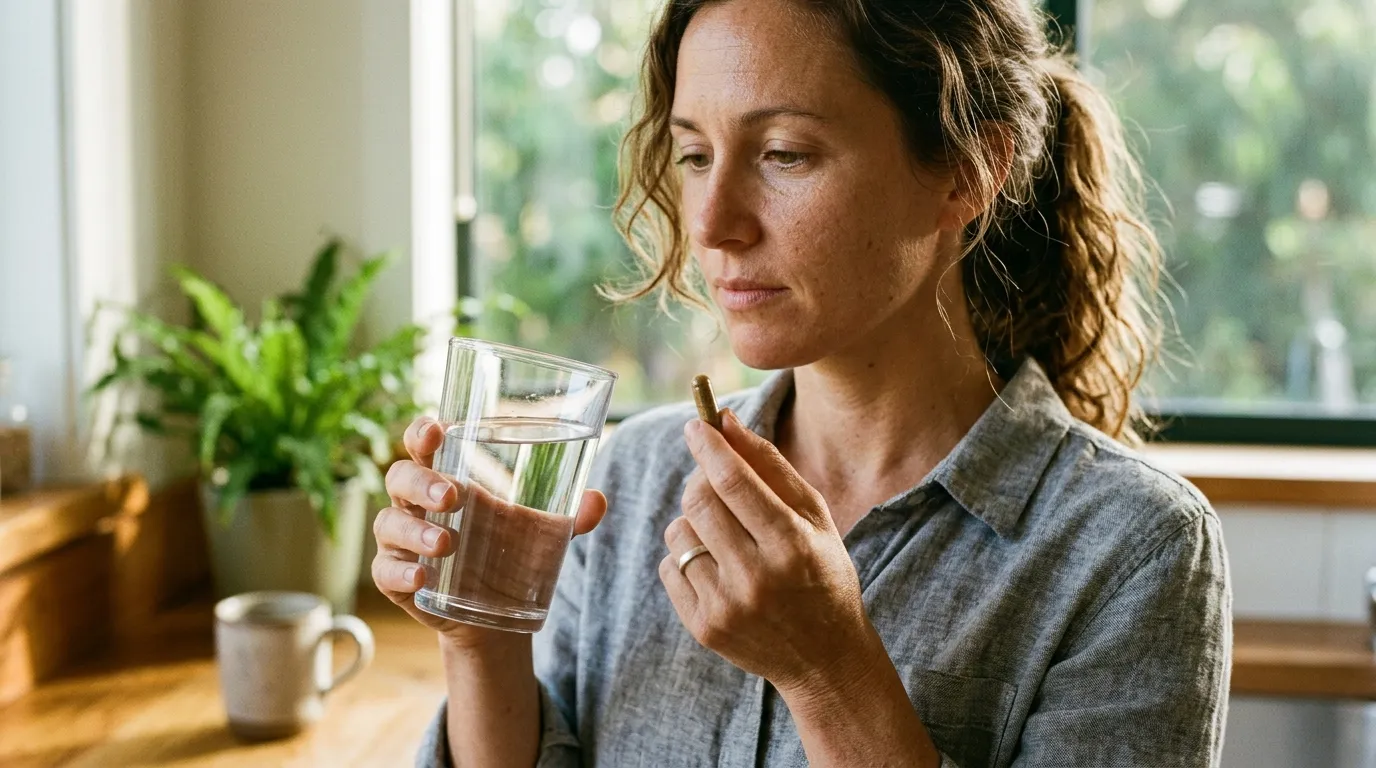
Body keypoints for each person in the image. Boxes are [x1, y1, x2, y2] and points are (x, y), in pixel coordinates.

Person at [372, 0, 1231, 765]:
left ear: (969, 170)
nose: (712, 225)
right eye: (696, 156)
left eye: (784, 154)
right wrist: (480, 642)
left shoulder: (1135, 553)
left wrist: (830, 674)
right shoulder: (631, 479)